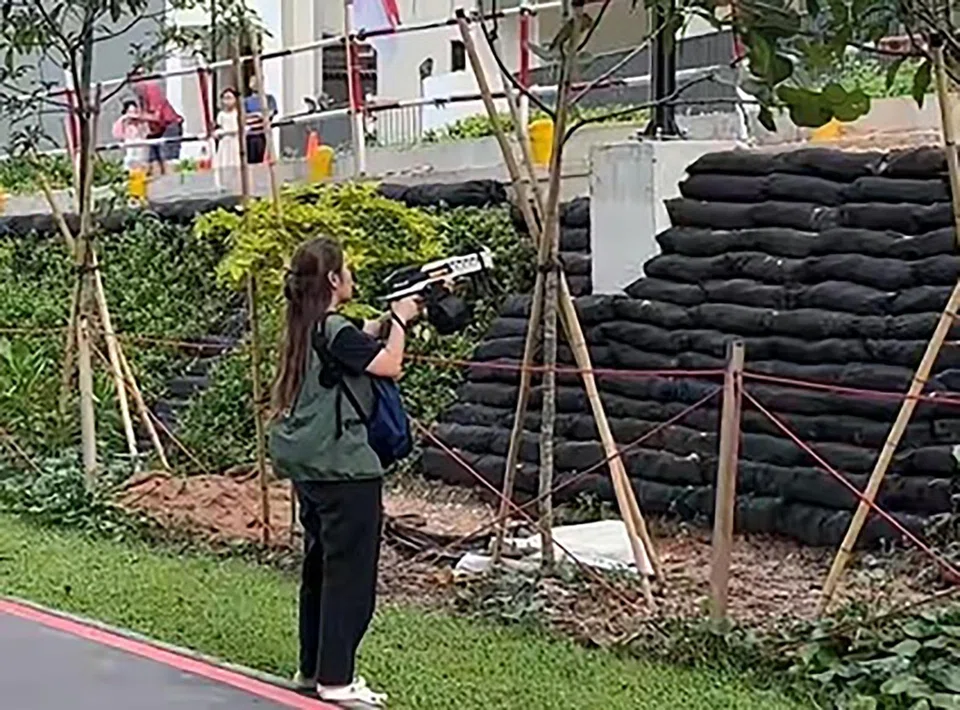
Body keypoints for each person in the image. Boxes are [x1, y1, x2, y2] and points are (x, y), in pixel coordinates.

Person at [268, 237, 421, 708]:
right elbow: (390, 366)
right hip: (346, 469)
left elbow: (356, 342)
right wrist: (400, 321)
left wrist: (385, 321)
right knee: (351, 578)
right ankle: (338, 680)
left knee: (319, 569)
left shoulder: (307, 325)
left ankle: (312, 668)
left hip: (312, 471)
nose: (352, 277)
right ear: (334, 280)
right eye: (347, 270)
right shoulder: (335, 329)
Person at [130, 69, 184, 176]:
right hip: (156, 129)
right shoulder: (140, 97)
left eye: (134, 82)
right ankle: (159, 186)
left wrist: (138, 116)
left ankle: (171, 184)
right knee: (152, 159)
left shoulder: (151, 89)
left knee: (167, 157)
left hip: (169, 124)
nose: (133, 87)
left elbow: (156, 116)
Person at [243, 74, 277, 165]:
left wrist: (262, 116)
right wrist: (256, 115)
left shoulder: (269, 98)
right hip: (251, 134)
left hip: (264, 132)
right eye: (253, 81)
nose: (256, 84)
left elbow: (271, 112)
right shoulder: (246, 101)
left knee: (265, 157)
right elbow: (245, 116)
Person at [112, 100, 148, 171]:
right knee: (130, 159)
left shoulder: (140, 121)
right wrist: (124, 119)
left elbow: (146, 131)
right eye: (130, 112)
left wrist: (140, 121)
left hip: (139, 141)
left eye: (134, 111)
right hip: (129, 141)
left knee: (140, 159)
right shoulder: (123, 122)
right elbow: (117, 133)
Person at [213, 88, 241, 178]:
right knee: (223, 161)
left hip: (235, 140)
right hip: (224, 142)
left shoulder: (238, 113)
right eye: (225, 98)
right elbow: (219, 127)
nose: (227, 101)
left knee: (235, 161)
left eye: (229, 98)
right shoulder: (221, 115)